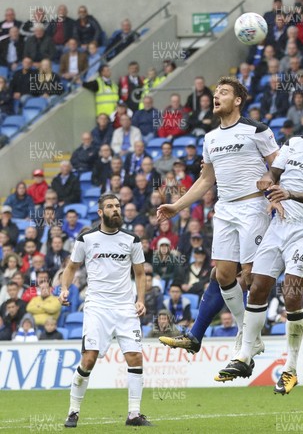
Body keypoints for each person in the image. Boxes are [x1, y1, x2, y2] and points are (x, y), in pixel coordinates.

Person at [216, 102, 303, 396]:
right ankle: (244, 357)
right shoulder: (293, 144)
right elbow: (271, 177)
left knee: (291, 291)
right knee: (257, 285)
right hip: (278, 225)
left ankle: (291, 368)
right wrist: (269, 189)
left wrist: (289, 192)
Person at [157, 77, 278, 357]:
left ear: (237, 100)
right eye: (215, 92)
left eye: (223, 92)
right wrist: (177, 206)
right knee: (223, 274)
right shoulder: (210, 138)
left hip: (252, 207)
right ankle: (247, 332)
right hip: (224, 209)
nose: (216, 96)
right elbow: (205, 180)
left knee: (248, 276)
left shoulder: (257, 130)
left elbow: (278, 163)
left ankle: (249, 337)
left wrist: (273, 184)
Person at [58, 194, 151, 427]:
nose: (115, 210)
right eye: (110, 206)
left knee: (135, 357)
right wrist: (64, 288)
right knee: (88, 359)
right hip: (97, 307)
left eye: (118, 206)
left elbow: (140, 274)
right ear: (100, 212)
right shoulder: (86, 238)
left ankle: (134, 414)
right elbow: (71, 267)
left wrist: (140, 300)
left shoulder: (132, 239)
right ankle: (73, 411)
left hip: (125, 307)